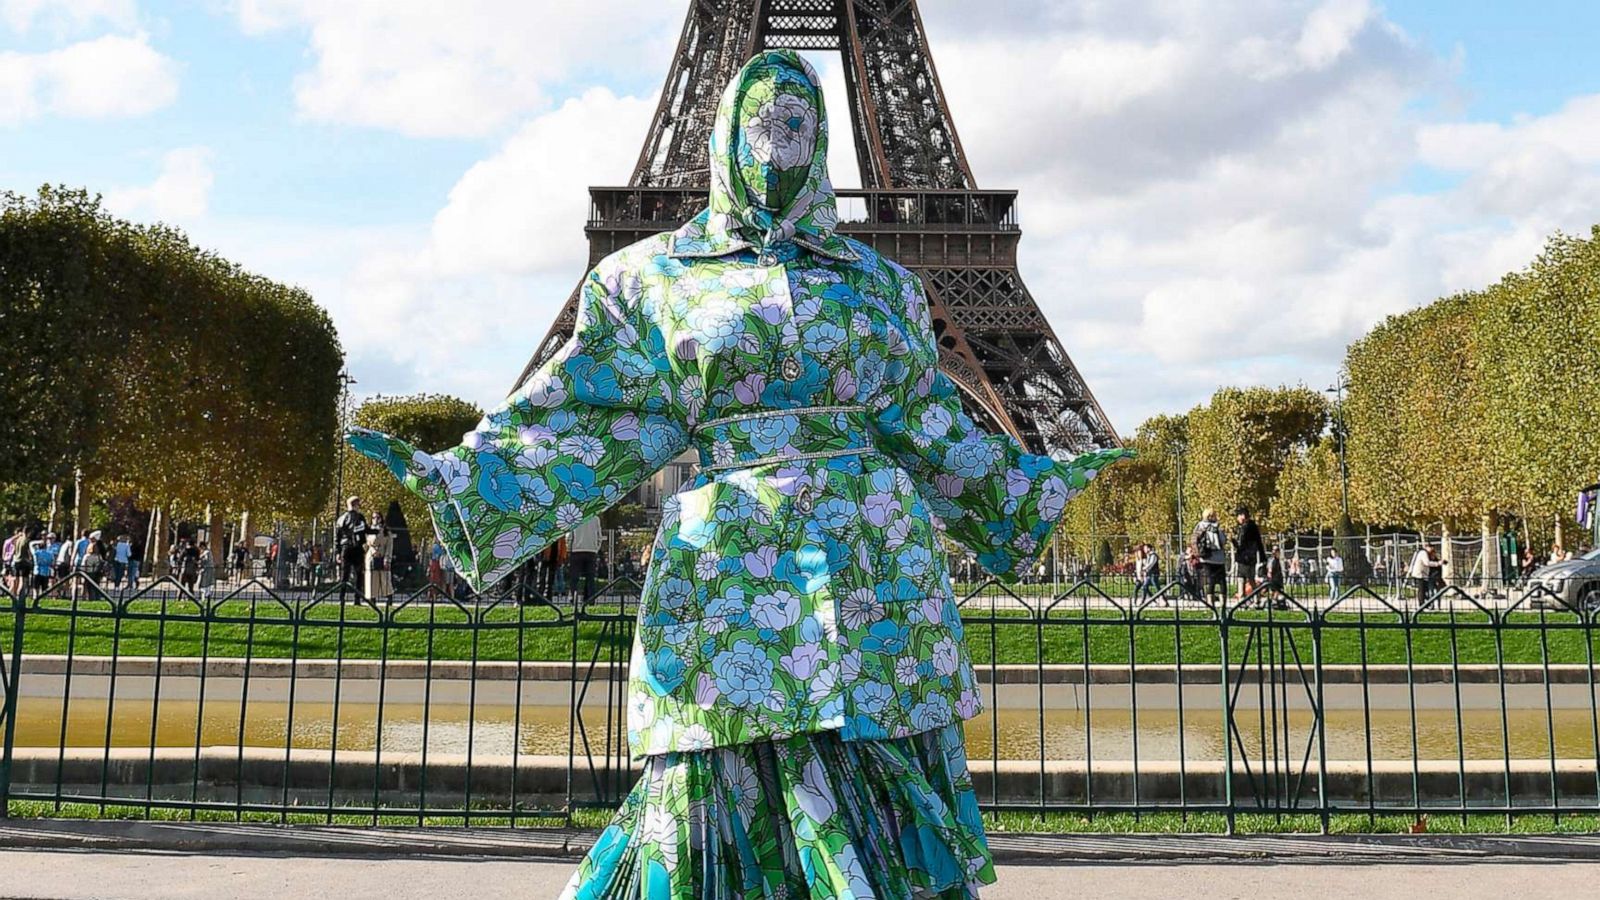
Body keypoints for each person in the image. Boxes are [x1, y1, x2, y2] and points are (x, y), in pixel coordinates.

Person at [345, 49, 1131, 900]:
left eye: (798, 122)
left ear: (822, 137)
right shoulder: (646, 280)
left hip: (875, 575)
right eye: (763, 121)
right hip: (733, 576)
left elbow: (927, 421)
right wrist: (463, 475)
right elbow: (589, 412)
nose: (779, 141)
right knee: (724, 763)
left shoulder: (887, 288)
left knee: (860, 752)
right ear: (724, 136)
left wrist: (1033, 484)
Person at [334, 496, 369, 599]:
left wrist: (338, 551)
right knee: (359, 575)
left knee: (345, 574)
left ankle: (342, 597)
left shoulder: (342, 518)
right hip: (357, 548)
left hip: (345, 547)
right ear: (355, 505)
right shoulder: (360, 517)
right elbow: (365, 531)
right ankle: (357, 598)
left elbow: (337, 536)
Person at [1192, 508, 1227, 603]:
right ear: (1211, 516)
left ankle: (1210, 605)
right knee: (1222, 582)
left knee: (1210, 582)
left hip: (1205, 558)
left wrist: (1197, 553)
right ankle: (1223, 606)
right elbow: (1223, 540)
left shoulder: (1199, 526)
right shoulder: (1217, 527)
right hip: (1219, 558)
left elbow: (1194, 540)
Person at [1230, 506, 1265, 601]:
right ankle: (1256, 598)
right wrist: (1262, 556)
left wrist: (1233, 541)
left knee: (1241, 578)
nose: (1237, 519)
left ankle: (1242, 599)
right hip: (1252, 557)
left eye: (1238, 516)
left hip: (1244, 558)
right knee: (1251, 579)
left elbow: (1241, 545)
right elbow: (1259, 542)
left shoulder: (1244, 528)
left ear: (1242, 516)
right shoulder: (1254, 527)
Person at [567, 516, 602, 604]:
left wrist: (569, 549)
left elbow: (569, 536)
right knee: (590, 578)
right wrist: (596, 548)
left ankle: (573, 597)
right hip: (591, 551)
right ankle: (590, 599)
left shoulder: (574, 517)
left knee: (574, 577)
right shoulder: (595, 518)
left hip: (576, 551)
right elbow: (599, 536)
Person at [365, 514, 393, 600]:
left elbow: (389, 546)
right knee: (372, 580)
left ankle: (389, 598)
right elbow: (365, 544)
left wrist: (387, 559)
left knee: (385, 580)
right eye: (373, 517)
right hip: (371, 556)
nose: (376, 519)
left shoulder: (386, 532)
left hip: (382, 555)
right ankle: (372, 599)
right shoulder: (368, 531)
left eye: (378, 517)